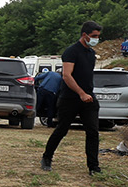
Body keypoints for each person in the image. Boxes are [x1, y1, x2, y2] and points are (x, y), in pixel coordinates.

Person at [40, 21, 103, 175]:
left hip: (88, 98)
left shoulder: (91, 53)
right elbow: (67, 76)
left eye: (98, 36)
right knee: (61, 129)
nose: (96, 39)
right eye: (94, 36)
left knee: (93, 132)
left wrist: (87, 94)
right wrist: (80, 93)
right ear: (84, 35)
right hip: (70, 98)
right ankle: (47, 157)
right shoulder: (72, 51)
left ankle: (93, 167)